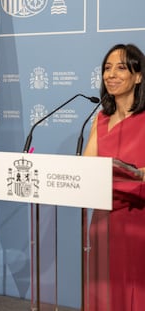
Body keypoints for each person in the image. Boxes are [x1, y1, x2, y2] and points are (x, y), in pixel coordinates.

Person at [83, 43, 145, 311]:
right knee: (103, 291)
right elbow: (85, 167)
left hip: (137, 221)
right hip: (102, 219)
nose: (111, 74)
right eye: (107, 68)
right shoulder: (100, 119)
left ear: (138, 76)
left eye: (121, 67)